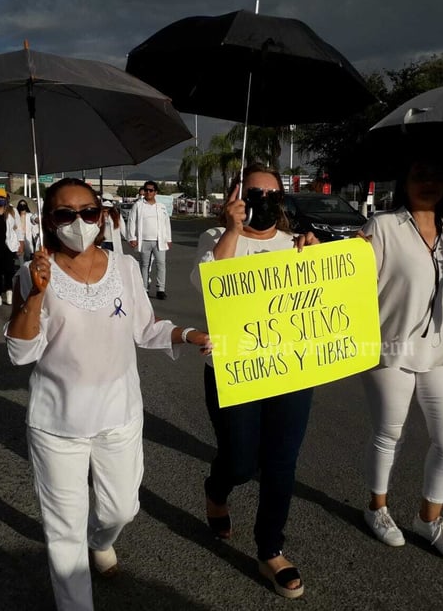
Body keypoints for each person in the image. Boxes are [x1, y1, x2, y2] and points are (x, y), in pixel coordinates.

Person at [5, 178, 210, 611]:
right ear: (48, 220)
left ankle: (100, 538)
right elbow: (21, 353)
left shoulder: (126, 269)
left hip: (119, 415)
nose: (78, 223)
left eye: (88, 212)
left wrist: (188, 333)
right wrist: (36, 297)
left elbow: (145, 328)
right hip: (57, 425)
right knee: (64, 534)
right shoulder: (32, 273)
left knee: (121, 509)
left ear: (102, 216)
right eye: (65, 214)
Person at [190, 163, 319, 599]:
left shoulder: (295, 246)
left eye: (272, 196)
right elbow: (210, 284)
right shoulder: (215, 240)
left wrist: (316, 258)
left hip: (291, 372)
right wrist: (232, 229)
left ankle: (271, 549)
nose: (263, 201)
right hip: (232, 372)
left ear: (281, 202)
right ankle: (217, 489)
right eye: (253, 194)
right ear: (234, 197)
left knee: (282, 462)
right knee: (241, 462)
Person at [358, 159, 443, 563]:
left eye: (437, 176)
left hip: (442, 352)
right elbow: (348, 280)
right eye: (419, 175)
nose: (429, 183)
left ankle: (429, 519)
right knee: (389, 434)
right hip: (390, 346)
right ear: (405, 181)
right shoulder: (383, 227)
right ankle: (377, 508)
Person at [126, 180, 171, 299]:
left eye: (151, 190)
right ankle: (144, 288)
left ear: (155, 192)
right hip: (144, 240)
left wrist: (169, 238)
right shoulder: (138, 205)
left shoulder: (161, 207)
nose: (148, 192)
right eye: (146, 190)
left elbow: (166, 223)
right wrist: (132, 237)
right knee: (144, 265)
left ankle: (161, 289)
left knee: (161, 264)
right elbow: (131, 221)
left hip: (159, 240)